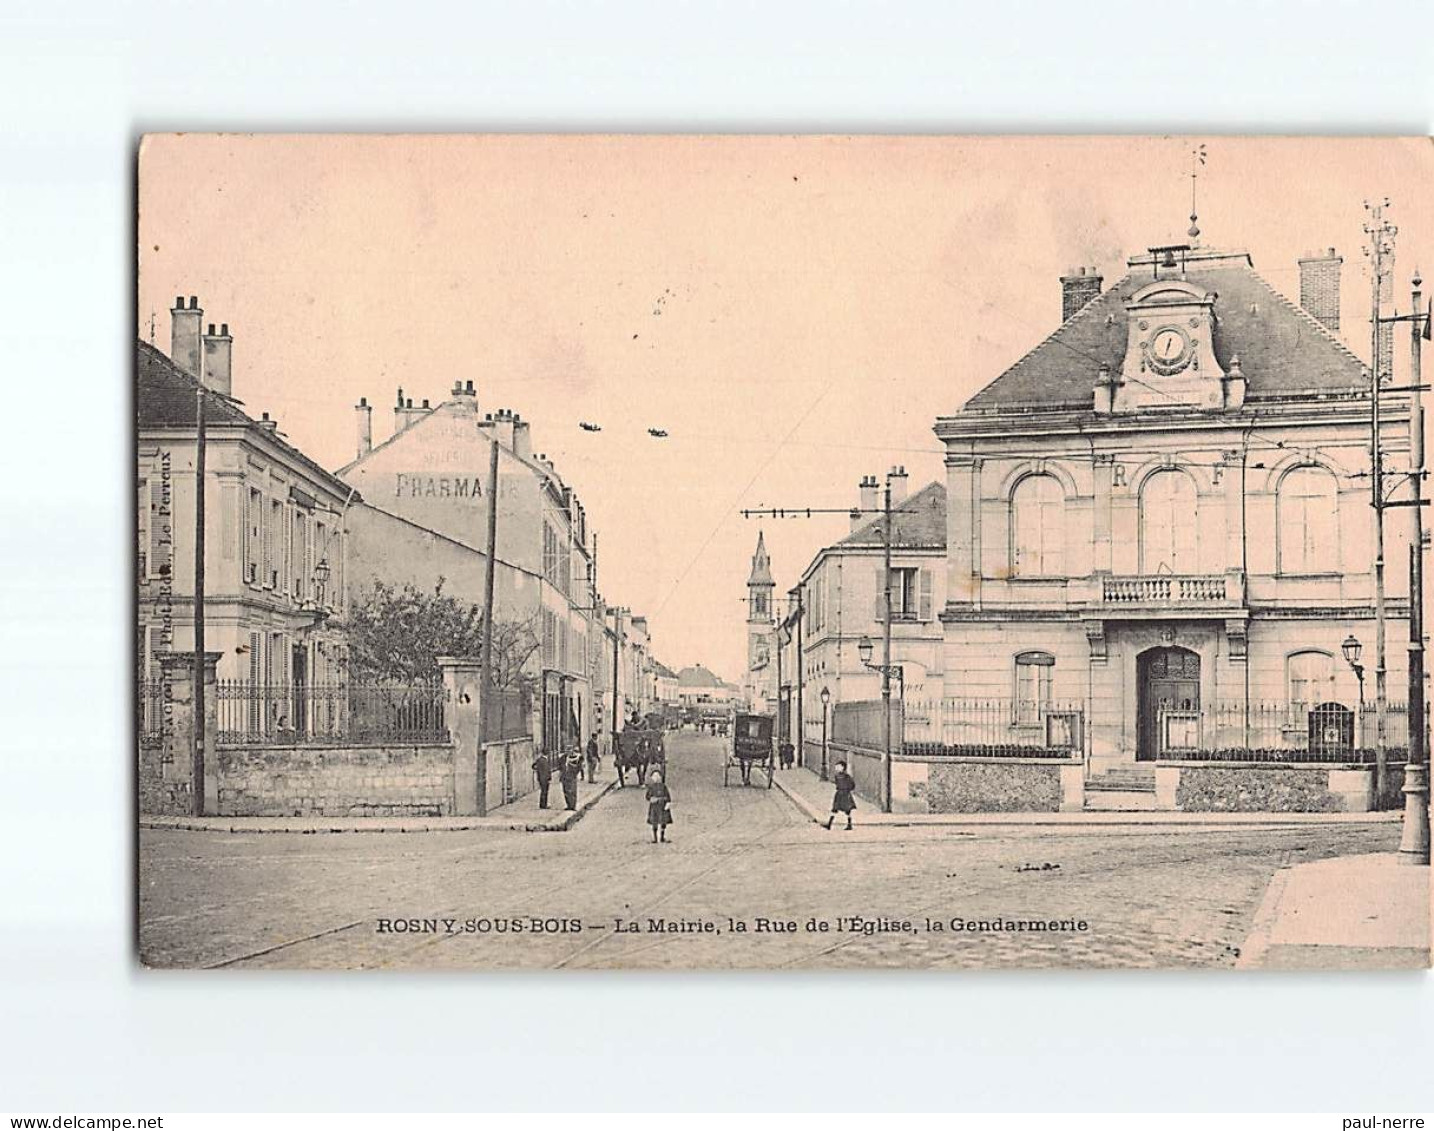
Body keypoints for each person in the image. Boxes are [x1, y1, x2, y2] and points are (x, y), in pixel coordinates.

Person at [824, 761, 857, 830]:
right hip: (839, 794)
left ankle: (849, 825)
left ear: (843, 767)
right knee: (834, 809)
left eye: (838, 766)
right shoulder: (836, 776)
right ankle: (829, 824)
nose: (837, 768)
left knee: (847, 811)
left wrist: (847, 790)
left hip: (845, 794)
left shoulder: (847, 776)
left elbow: (852, 785)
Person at [645, 769, 672, 843]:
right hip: (654, 807)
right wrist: (651, 799)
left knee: (663, 822)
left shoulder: (663, 787)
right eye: (654, 776)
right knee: (654, 822)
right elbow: (647, 796)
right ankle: (655, 838)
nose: (656, 778)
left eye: (657, 776)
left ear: (660, 777)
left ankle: (662, 837)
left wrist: (668, 803)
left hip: (662, 806)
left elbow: (668, 796)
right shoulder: (651, 787)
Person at [559, 746, 583, 811]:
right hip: (564, 776)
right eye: (567, 750)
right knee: (566, 792)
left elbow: (579, 766)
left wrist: (575, 773)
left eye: (570, 750)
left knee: (572, 791)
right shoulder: (562, 758)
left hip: (572, 776)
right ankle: (568, 805)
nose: (568, 752)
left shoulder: (575, 757)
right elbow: (559, 766)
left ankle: (573, 806)